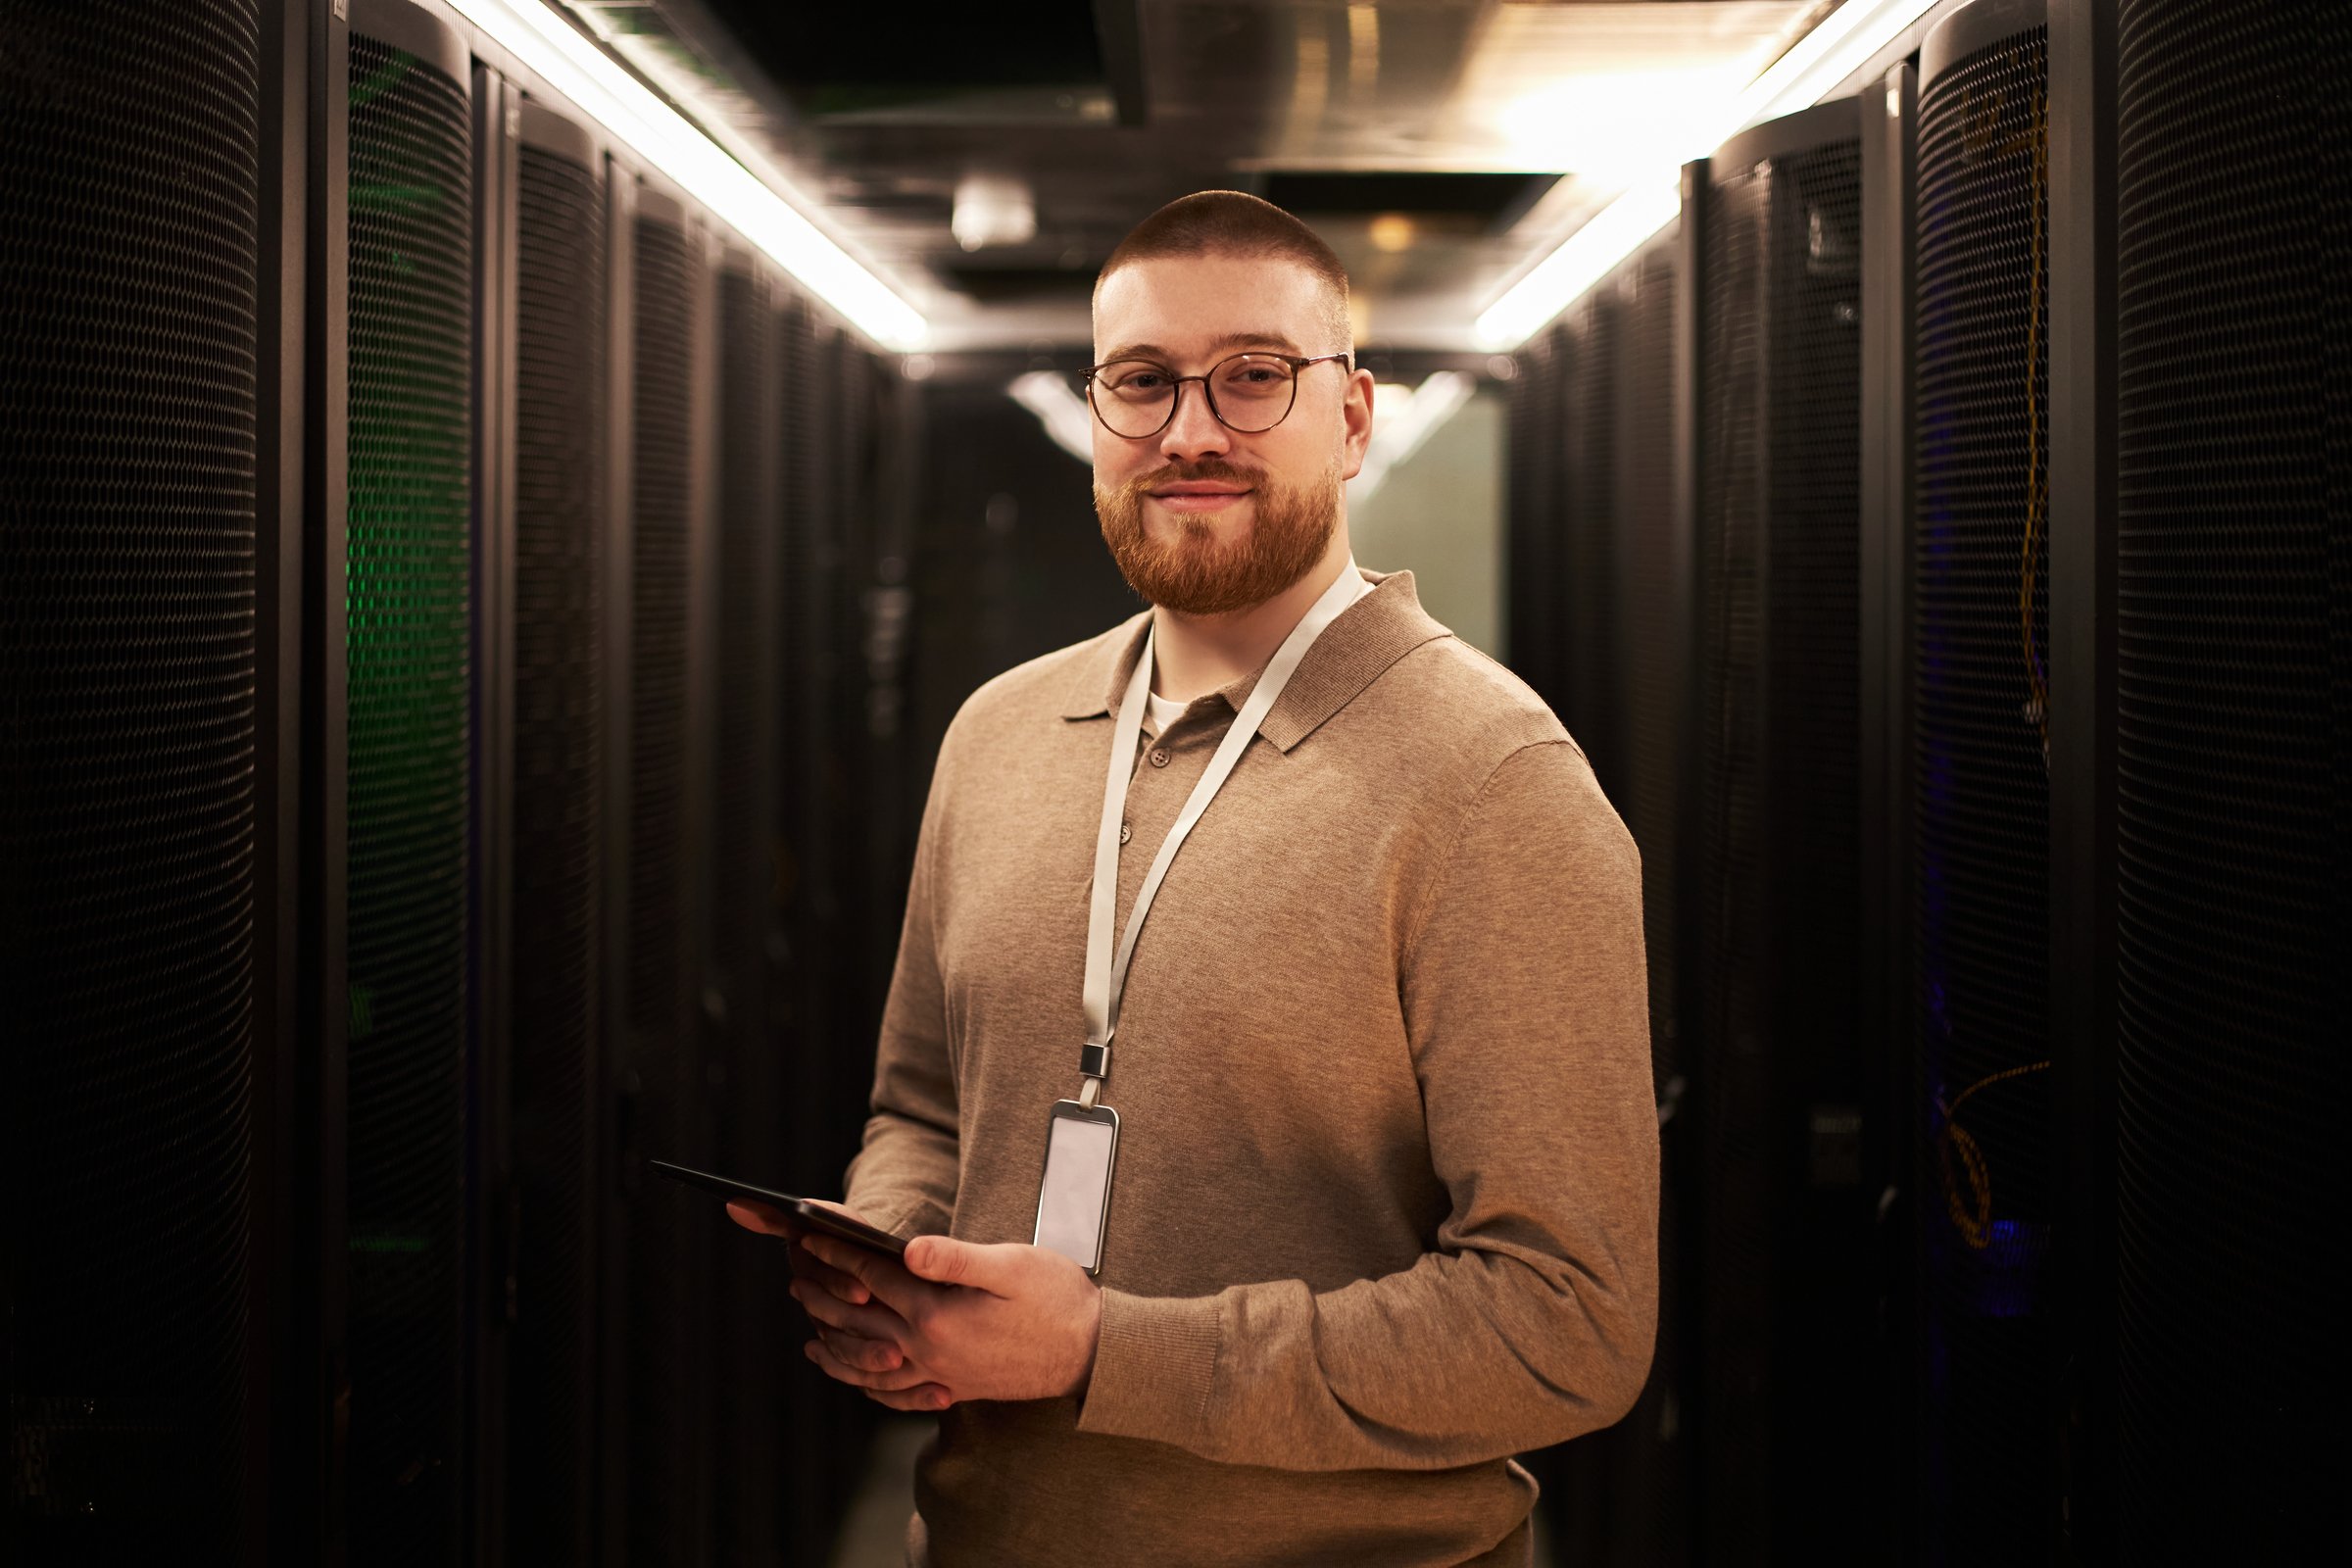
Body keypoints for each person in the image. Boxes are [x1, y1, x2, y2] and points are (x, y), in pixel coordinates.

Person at [729, 190, 1658, 1567]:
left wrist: (1107, 1348)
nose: (1192, 431)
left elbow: (1569, 1326)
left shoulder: (1492, 779)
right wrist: (896, 1258)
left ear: (1352, 421)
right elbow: (925, 1106)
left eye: (1254, 376)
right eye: (1142, 383)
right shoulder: (997, 737)